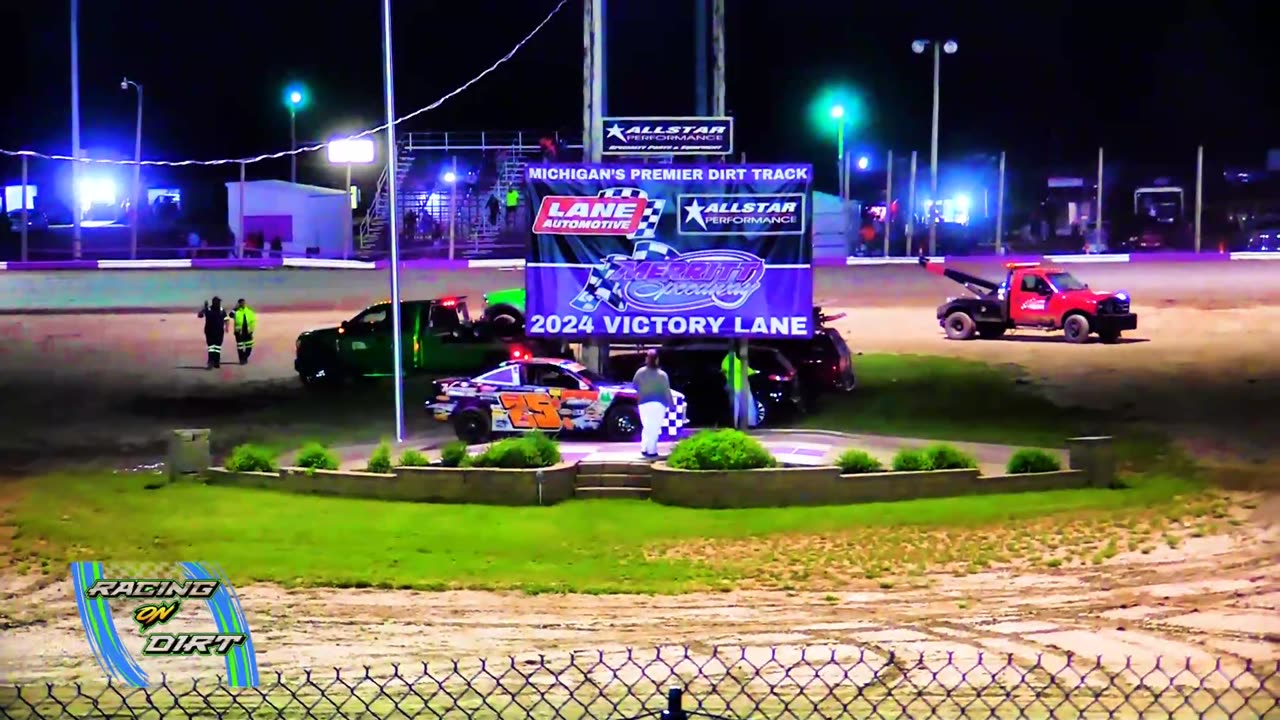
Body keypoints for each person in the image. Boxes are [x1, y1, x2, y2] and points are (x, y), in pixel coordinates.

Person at [632, 349, 674, 459]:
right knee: (655, 427)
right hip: (659, 403)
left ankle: (644, 448)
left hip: (643, 402)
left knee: (647, 426)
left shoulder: (640, 372)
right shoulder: (662, 375)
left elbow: (634, 386)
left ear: (647, 359)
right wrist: (671, 404)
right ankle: (652, 450)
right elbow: (667, 391)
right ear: (657, 360)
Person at [721, 347, 759, 428]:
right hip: (741, 386)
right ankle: (751, 423)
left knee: (735, 406)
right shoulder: (737, 362)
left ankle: (733, 424)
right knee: (748, 405)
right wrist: (755, 371)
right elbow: (748, 371)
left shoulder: (725, 363)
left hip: (731, 387)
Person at [198, 297, 231, 369]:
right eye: (217, 302)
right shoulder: (208, 309)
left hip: (219, 331)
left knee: (217, 347)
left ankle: (216, 362)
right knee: (211, 347)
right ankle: (211, 362)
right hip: (209, 331)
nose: (218, 303)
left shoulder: (222, 310)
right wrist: (204, 308)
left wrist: (227, 327)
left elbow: (226, 319)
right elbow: (200, 315)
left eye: (219, 302)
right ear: (213, 302)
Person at [232, 298, 258, 365]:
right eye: (241, 303)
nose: (243, 304)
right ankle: (242, 360)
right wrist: (235, 308)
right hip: (239, 332)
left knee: (249, 347)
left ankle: (245, 357)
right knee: (240, 347)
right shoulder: (236, 312)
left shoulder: (249, 311)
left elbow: (253, 321)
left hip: (248, 332)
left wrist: (252, 330)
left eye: (244, 303)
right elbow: (230, 315)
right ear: (239, 304)